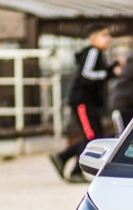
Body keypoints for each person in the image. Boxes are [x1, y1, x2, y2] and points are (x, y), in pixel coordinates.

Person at [51, 23, 119, 182]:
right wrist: (109, 73)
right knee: (91, 137)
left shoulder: (99, 53)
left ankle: (63, 157)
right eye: (104, 35)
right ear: (93, 38)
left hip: (90, 103)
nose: (108, 39)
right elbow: (87, 74)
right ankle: (73, 168)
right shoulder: (93, 51)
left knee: (94, 136)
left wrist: (111, 70)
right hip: (82, 102)